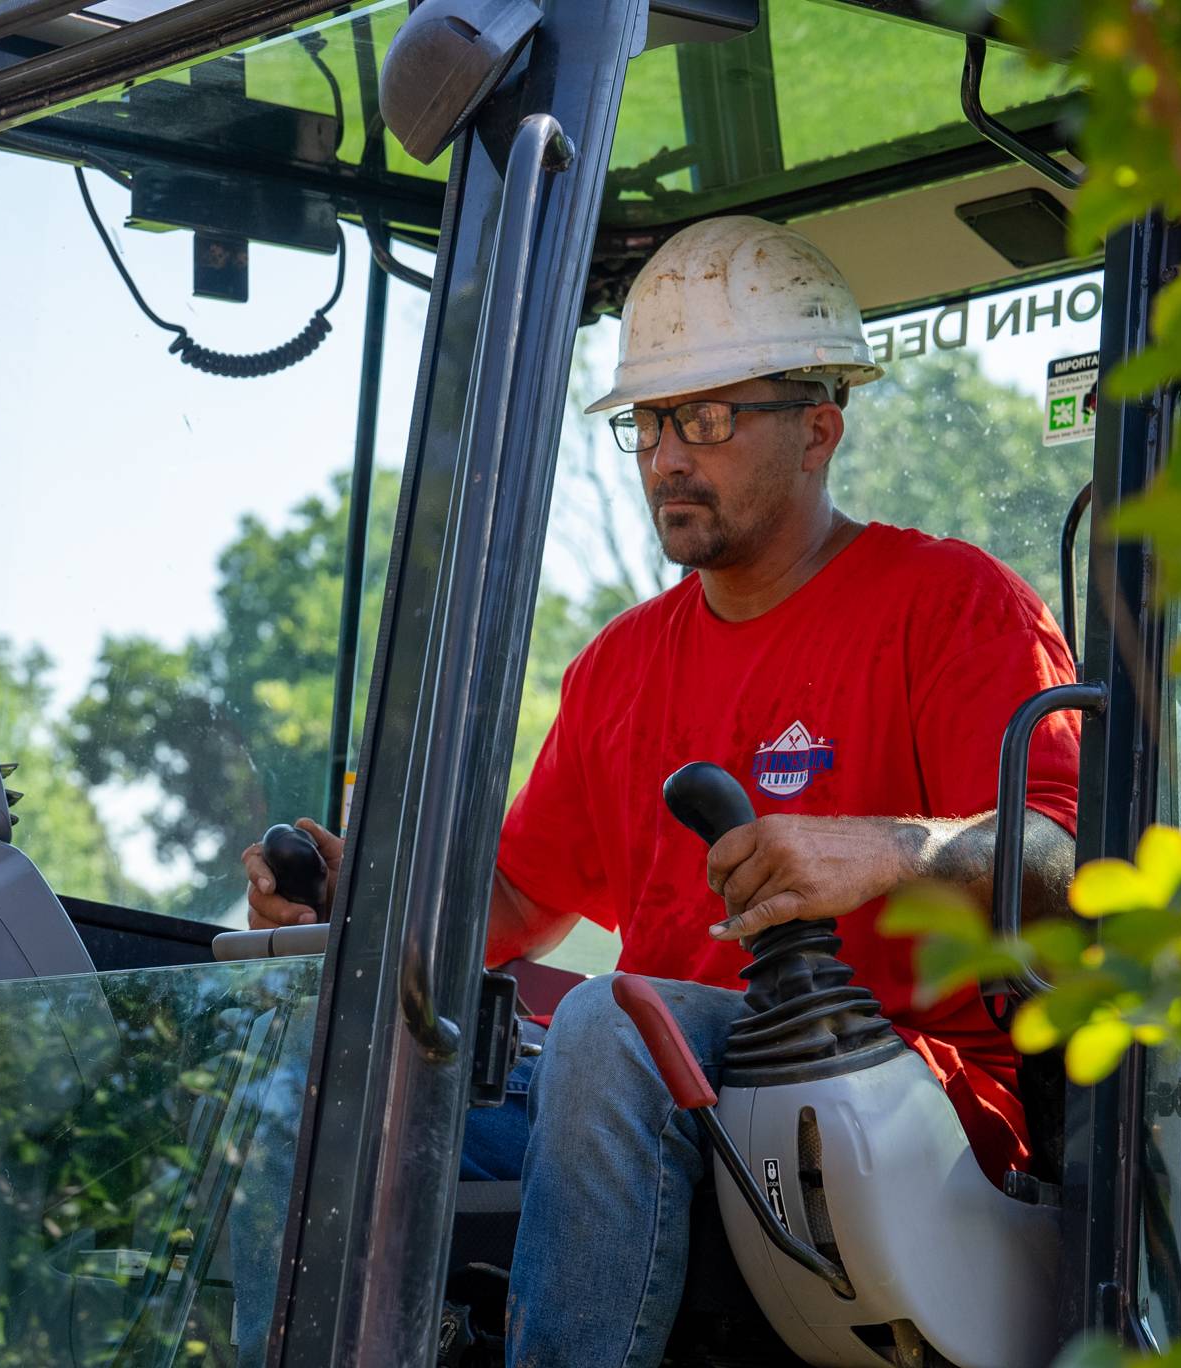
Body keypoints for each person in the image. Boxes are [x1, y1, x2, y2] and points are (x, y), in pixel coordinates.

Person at [241, 215, 1081, 1367]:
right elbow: (507, 902)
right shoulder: (621, 666)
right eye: (648, 423)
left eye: (707, 419)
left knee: (605, 1018)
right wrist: (357, 903)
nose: (666, 457)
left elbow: (1068, 863)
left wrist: (889, 849)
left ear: (817, 429)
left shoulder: (950, 605)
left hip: (898, 1106)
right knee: (306, 1072)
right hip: (662, 1101)